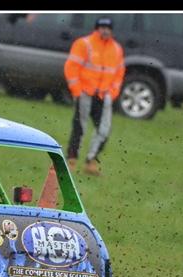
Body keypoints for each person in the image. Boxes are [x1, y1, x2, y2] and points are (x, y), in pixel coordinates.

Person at [64, 16, 125, 175]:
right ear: (96, 28)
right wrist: (77, 90)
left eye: (108, 28)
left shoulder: (117, 49)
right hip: (85, 93)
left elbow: (119, 74)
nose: (105, 30)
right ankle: (71, 159)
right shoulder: (84, 43)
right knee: (79, 128)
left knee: (104, 130)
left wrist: (112, 93)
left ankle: (91, 161)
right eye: (102, 27)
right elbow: (71, 67)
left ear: (111, 30)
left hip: (104, 96)